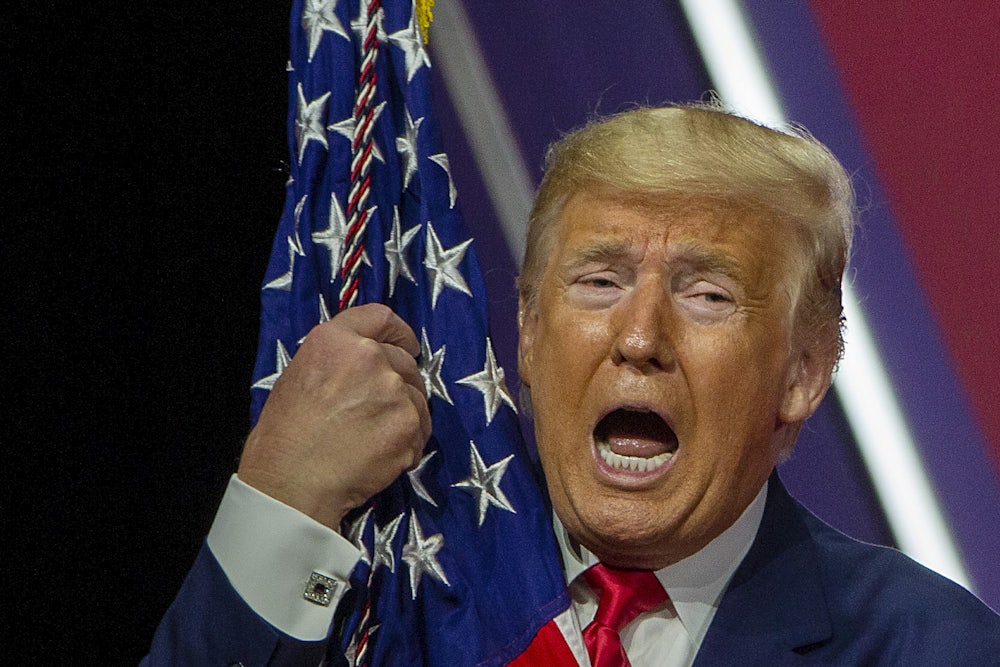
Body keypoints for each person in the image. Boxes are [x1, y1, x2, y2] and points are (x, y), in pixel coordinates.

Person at [145, 104, 1000, 665]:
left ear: (804, 372)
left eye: (707, 294)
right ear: (525, 328)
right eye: (598, 281)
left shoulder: (928, 646)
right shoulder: (388, 593)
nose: (639, 337)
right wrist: (278, 499)